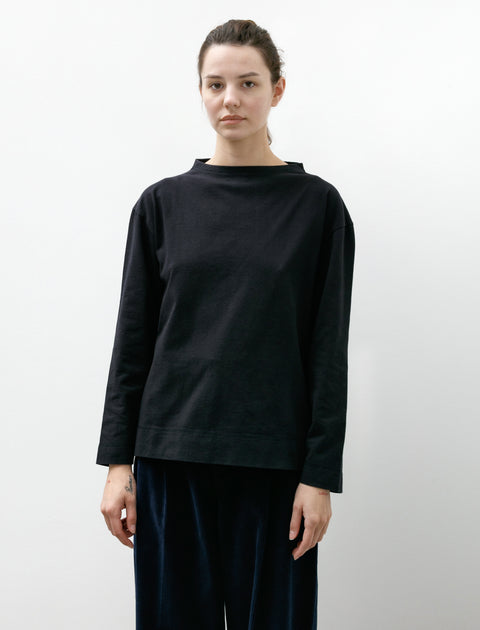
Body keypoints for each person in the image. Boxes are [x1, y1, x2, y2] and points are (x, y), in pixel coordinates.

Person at [97, 18, 355, 630]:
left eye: (248, 83)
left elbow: (328, 350)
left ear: (277, 90)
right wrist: (118, 464)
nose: (230, 99)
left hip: (275, 464)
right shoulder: (161, 204)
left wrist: (319, 476)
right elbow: (133, 342)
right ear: (201, 90)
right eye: (215, 84)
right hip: (171, 456)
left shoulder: (317, 207)